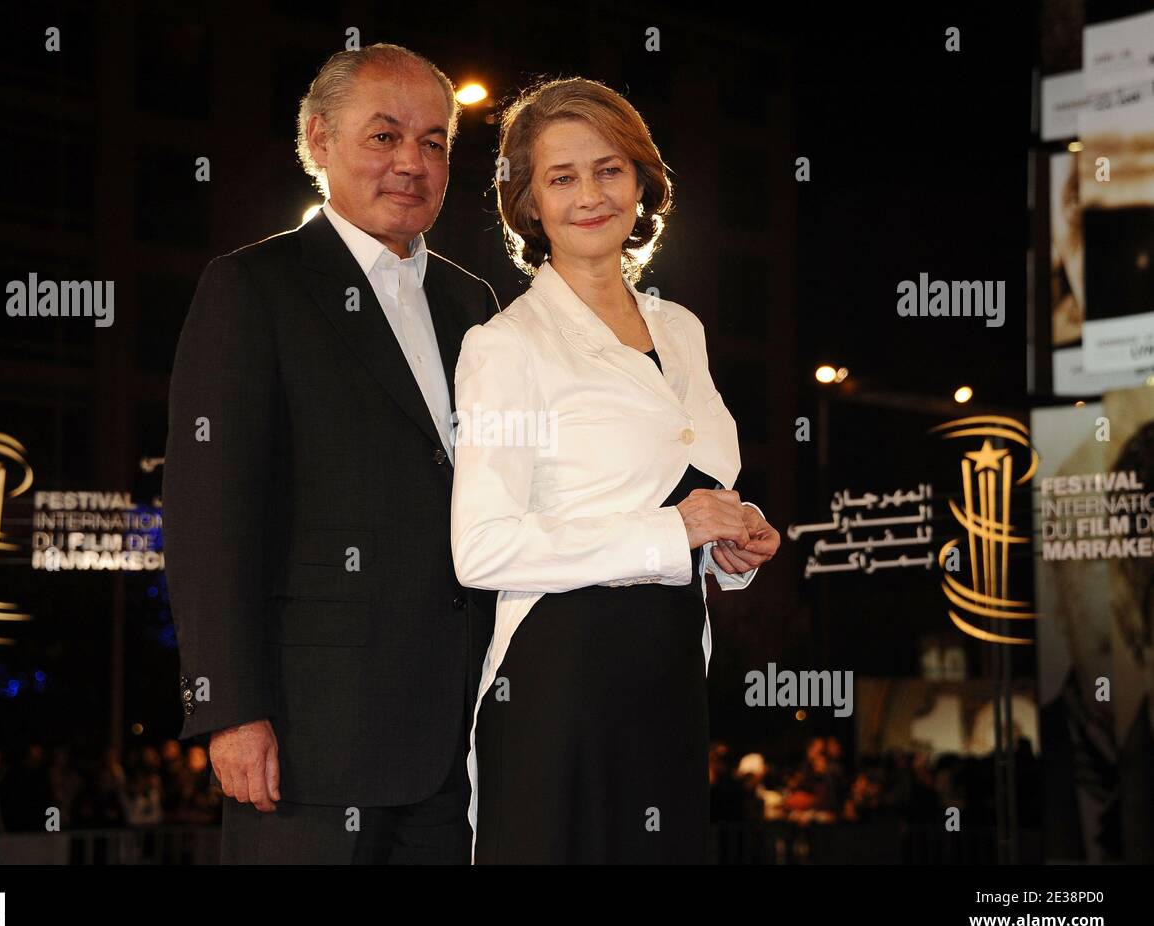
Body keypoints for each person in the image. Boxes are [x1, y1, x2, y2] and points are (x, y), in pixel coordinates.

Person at [164, 43, 499, 863]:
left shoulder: (476, 304)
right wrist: (229, 709)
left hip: (460, 739)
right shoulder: (252, 288)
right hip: (310, 742)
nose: (411, 164)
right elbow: (209, 516)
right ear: (319, 141)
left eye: (433, 142)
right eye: (383, 136)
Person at [450, 77, 780, 863]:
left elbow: (683, 491)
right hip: (558, 678)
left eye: (609, 169)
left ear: (642, 181)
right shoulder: (506, 345)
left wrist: (733, 541)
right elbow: (482, 548)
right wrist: (676, 530)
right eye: (561, 177)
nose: (590, 195)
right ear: (528, 203)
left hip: (667, 673)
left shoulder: (683, 329)